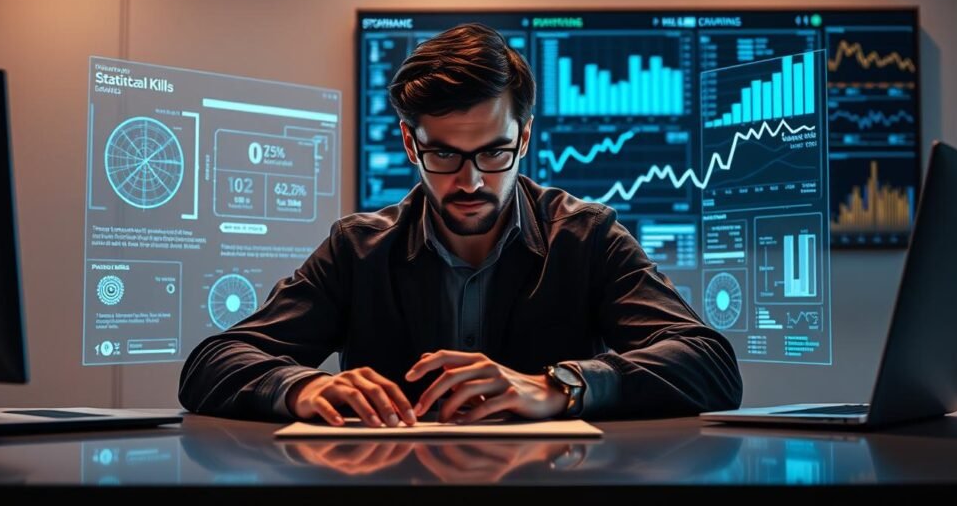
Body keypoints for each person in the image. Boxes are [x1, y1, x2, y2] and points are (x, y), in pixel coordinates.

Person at [179, 23, 742, 427]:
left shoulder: (587, 237)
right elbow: (210, 364)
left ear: (523, 138)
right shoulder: (358, 248)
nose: (470, 181)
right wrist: (303, 387)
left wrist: (560, 386)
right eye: (444, 155)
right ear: (409, 143)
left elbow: (710, 363)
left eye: (494, 153)